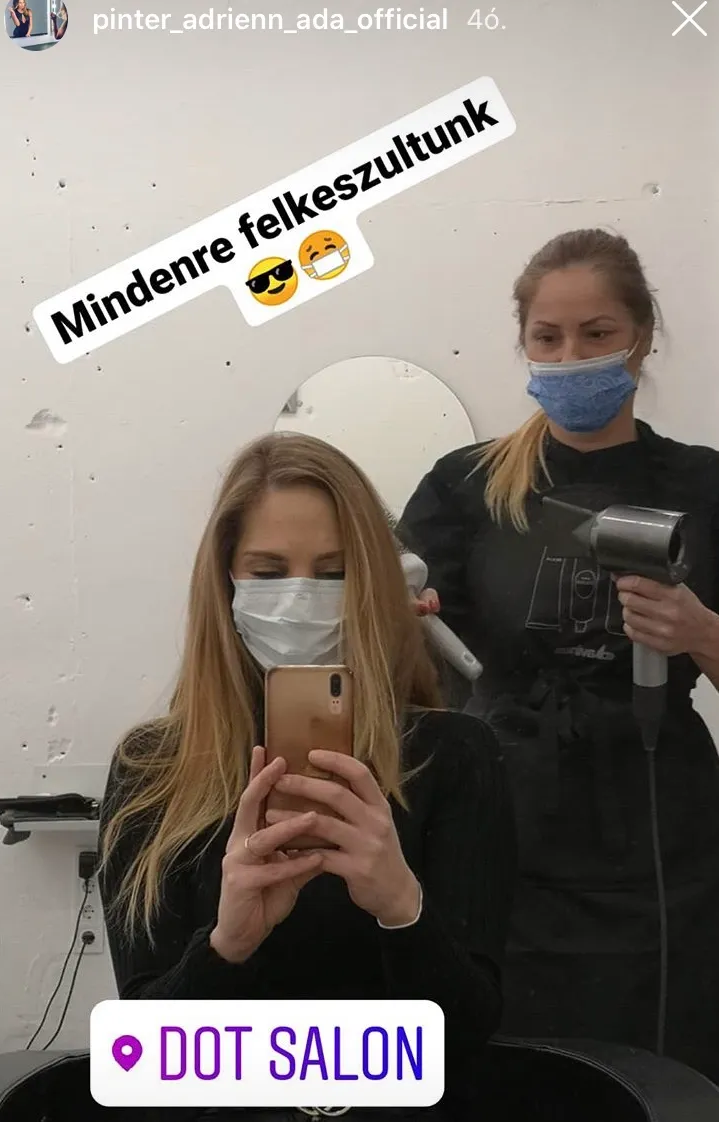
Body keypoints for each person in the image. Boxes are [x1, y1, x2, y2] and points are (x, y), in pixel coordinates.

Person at [98, 432, 517, 1122]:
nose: (299, 599)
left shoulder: (454, 755)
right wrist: (225, 947)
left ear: (373, 582)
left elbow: (466, 1042)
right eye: (267, 572)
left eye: (332, 573)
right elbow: (143, 1065)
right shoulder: (153, 771)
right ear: (224, 583)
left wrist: (402, 909)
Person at [399, 228, 719, 1082]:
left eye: (596, 334)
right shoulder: (464, 487)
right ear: (525, 345)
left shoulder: (702, 485)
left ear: (640, 337)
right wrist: (399, 624)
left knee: (669, 1072)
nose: (570, 357)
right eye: (548, 337)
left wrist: (700, 633)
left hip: (663, 839)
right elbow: (406, 675)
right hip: (504, 829)